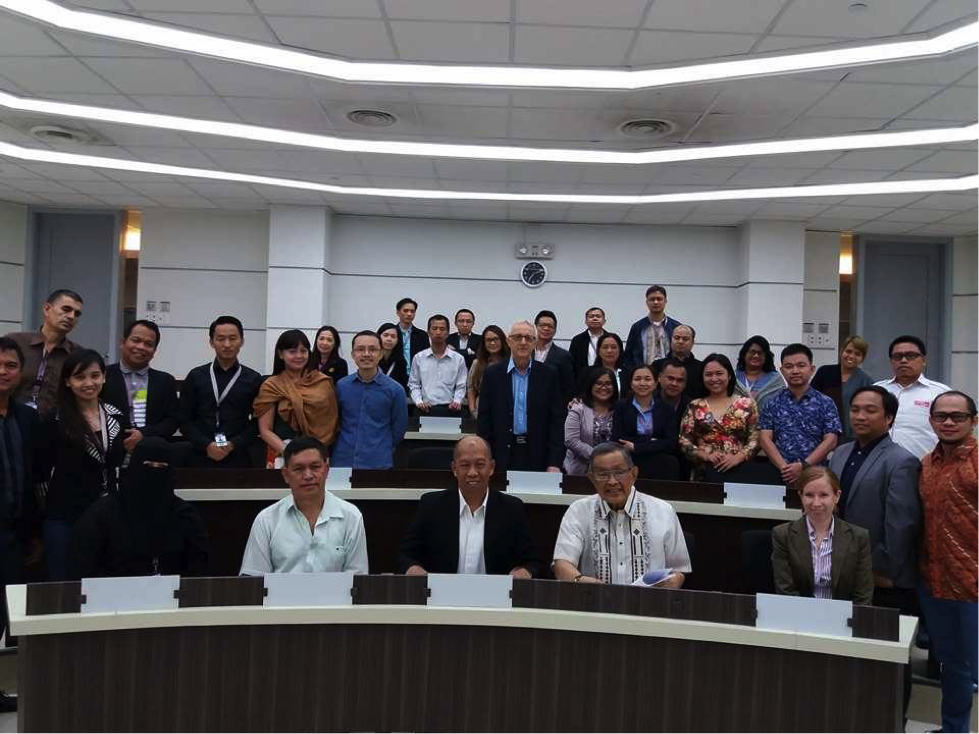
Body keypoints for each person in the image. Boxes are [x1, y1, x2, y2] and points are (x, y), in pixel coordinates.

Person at [829, 384, 921, 717]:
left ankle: (892, 719)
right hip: (841, 569)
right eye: (855, 409)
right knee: (848, 654)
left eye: (870, 410)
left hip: (882, 577)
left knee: (888, 660)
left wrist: (882, 572)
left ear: (889, 418)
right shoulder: (840, 452)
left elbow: (901, 526)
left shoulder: (901, 461)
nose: (860, 416)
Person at [916, 391, 979, 734]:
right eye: (941, 416)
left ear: (974, 421)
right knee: (952, 666)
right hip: (936, 582)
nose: (949, 422)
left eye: (958, 416)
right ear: (931, 421)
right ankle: (954, 729)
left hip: (973, 584)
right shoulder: (928, 462)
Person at [37, 349, 129, 581]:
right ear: (67, 381)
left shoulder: (115, 415)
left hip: (106, 514)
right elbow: (40, 474)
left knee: (100, 583)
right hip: (64, 515)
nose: (89, 383)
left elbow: (118, 462)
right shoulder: (55, 419)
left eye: (95, 375)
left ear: (104, 377)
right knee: (63, 585)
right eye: (79, 377)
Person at [396, 436, 538, 577]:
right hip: (442, 595)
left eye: (480, 465)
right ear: (454, 468)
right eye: (465, 465)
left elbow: (532, 561)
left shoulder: (511, 508)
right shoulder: (432, 505)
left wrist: (524, 571)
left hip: (495, 597)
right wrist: (413, 568)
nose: (472, 473)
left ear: (492, 467)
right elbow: (405, 555)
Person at [68, 438, 208, 579]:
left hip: (170, 597)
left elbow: (198, 569)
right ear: (134, 468)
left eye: (161, 467)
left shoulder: (184, 516)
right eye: (148, 465)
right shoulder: (102, 515)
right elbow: (83, 567)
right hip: (113, 594)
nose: (153, 474)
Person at [553, 442, 691, 585]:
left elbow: (678, 570)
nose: (612, 481)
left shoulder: (663, 511)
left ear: (633, 474)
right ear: (592, 479)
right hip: (594, 602)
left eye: (619, 472)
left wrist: (670, 584)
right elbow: (562, 564)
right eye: (602, 474)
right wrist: (579, 580)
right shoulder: (578, 511)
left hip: (648, 604)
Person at [240, 436, 368, 575]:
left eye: (315, 467)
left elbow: (357, 580)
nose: (308, 475)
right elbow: (253, 580)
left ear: (326, 470)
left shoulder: (351, 517)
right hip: (281, 597)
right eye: (299, 468)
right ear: (285, 475)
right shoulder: (266, 520)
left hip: (335, 597)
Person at [771, 467, 874, 604]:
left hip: (843, 620)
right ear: (800, 496)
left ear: (836, 496)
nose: (816, 503)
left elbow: (863, 596)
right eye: (809, 495)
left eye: (824, 495)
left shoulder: (859, 537)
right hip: (798, 617)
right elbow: (785, 591)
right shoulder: (782, 535)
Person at [476, 320, 564, 473]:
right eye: (517, 337)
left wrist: (554, 462)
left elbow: (556, 421)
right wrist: (485, 458)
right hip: (500, 454)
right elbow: (484, 420)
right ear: (509, 341)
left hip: (539, 454)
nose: (523, 342)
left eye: (528, 338)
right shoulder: (493, 374)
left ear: (535, 343)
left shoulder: (549, 374)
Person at [0, 337, 41, 657]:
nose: (3, 371)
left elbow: (31, 478)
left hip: (13, 534)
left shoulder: (27, 418)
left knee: (3, 612)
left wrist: (32, 533)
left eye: (11, 366)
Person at [180, 316, 263, 468]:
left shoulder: (253, 379)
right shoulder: (196, 376)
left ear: (242, 341)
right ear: (212, 342)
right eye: (220, 339)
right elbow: (184, 420)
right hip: (200, 453)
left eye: (233, 338)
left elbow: (257, 423)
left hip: (238, 454)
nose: (227, 344)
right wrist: (205, 445)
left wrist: (233, 444)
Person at [758, 344, 841, 486]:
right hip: (779, 474)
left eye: (801, 365)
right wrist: (785, 469)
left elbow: (831, 441)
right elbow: (765, 438)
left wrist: (804, 466)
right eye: (789, 366)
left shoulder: (825, 403)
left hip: (815, 476)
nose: (795, 371)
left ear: (812, 369)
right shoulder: (771, 403)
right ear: (782, 371)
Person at [254, 329, 338, 467]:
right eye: (292, 351)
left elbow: (330, 424)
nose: (299, 356)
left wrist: (312, 454)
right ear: (281, 354)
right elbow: (265, 430)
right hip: (282, 456)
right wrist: (290, 452)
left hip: (317, 455)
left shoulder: (323, 382)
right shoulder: (271, 385)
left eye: (303, 351)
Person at [101, 320, 180, 455]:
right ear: (122, 342)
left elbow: (173, 420)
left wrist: (143, 434)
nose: (141, 347)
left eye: (149, 344)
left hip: (150, 449)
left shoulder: (166, 381)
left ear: (154, 351)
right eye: (136, 340)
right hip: (109, 448)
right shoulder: (103, 376)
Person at [332, 331, 408, 469]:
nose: (366, 354)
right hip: (342, 460)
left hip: (378, 462)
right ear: (353, 355)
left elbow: (399, 430)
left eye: (372, 349)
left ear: (381, 354)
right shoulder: (341, 386)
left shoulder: (396, 390)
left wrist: (381, 447)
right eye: (360, 349)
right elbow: (335, 422)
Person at [679, 353, 759, 480]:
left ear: (730, 376)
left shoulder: (747, 404)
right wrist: (705, 455)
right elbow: (684, 441)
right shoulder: (695, 406)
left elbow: (755, 439)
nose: (714, 378)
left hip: (739, 470)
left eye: (719, 373)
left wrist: (738, 457)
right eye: (709, 375)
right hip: (704, 473)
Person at [6, 288, 83, 418]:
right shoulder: (15, 342)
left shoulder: (76, 354)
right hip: (10, 421)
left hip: (51, 427)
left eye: (77, 314)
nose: (71, 316)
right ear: (47, 309)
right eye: (66, 309)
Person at [875, 335, 951, 459]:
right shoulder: (877, 390)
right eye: (898, 356)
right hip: (878, 465)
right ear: (891, 361)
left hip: (923, 466)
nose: (904, 360)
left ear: (924, 360)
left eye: (910, 356)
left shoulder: (941, 393)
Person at [611, 364, 679, 479]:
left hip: (658, 458)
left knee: (671, 463)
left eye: (647, 379)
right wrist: (652, 441)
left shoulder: (666, 408)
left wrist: (636, 446)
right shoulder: (621, 406)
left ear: (655, 383)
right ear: (631, 383)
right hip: (629, 458)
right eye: (637, 379)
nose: (642, 383)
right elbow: (618, 439)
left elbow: (671, 442)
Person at [810, 335, 874, 441]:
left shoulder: (866, 381)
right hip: (822, 434)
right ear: (841, 351)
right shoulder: (825, 372)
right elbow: (810, 401)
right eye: (848, 351)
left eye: (857, 354)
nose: (851, 356)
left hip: (852, 437)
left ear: (863, 358)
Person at [408, 314, 468, 414]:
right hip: (424, 409)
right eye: (434, 328)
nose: (438, 332)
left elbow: (461, 385)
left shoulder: (458, 359)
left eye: (442, 329)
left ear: (448, 333)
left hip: (451, 409)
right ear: (428, 332)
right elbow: (414, 384)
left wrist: (457, 401)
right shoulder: (419, 358)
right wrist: (419, 402)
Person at [564, 368, 618, 475]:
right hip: (580, 471)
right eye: (598, 383)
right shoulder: (578, 408)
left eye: (608, 383)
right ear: (591, 386)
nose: (603, 387)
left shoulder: (620, 409)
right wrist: (599, 457)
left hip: (614, 470)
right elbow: (571, 440)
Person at [624, 285, 681, 368]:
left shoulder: (676, 327)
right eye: (652, 299)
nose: (656, 302)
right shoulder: (637, 327)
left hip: (669, 376)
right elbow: (628, 355)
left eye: (659, 299)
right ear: (647, 302)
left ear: (665, 301)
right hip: (643, 376)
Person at [734, 335, 786, 414]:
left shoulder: (775, 379)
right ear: (744, 354)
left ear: (766, 357)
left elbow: (782, 406)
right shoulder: (733, 376)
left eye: (760, 353)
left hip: (766, 425)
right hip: (735, 424)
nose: (756, 356)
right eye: (752, 352)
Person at [533, 310, 576, 403]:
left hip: (552, 406)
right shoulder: (527, 352)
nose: (546, 328)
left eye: (550, 326)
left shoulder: (564, 355)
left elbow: (568, 387)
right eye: (542, 325)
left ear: (555, 330)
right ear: (536, 327)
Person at [467, 325, 509, 418]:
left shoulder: (511, 363)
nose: (492, 343)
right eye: (488, 340)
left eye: (496, 339)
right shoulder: (477, 363)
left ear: (502, 340)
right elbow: (471, 389)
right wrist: (473, 410)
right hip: (482, 412)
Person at [653, 324, 704, 399]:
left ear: (693, 342)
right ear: (671, 340)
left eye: (685, 339)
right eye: (677, 338)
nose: (680, 341)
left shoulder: (701, 367)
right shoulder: (657, 365)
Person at [568, 306, 607, 380]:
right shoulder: (577, 340)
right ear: (586, 321)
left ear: (604, 321)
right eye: (591, 316)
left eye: (598, 316)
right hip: (583, 380)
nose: (595, 318)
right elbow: (571, 364)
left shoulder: (611, 339)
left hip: (606, 378)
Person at [395, 297, 429, 369]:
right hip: (395, 376)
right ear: (398, 312)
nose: (409, 314)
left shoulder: (422, 335)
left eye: (412, 311)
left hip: (416, 375)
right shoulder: (391, 334)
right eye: (406, 311)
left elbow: (426, 359)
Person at [376, 322, 409, 391]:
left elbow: (403, 386)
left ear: (398, 340)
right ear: (378, 337)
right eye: (385, 335)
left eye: (393, 336)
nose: (389, 339)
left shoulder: (401, 361)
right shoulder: (372, 358)